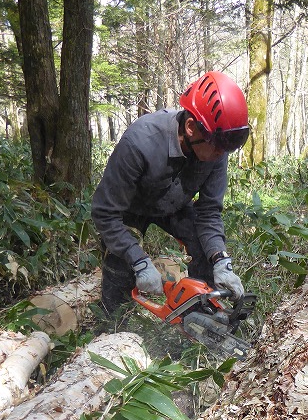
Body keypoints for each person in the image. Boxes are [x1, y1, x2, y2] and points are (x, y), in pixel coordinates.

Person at [91, 70, 250, 314]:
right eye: (217, 148)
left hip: (174, 205)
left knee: (204, 247)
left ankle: (198, 318)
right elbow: (104, 212)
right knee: (121, 269)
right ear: (190, 127)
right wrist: (138, 260)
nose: (221, 155)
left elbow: (208, 212)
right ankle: (111, 325)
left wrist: (221, 260)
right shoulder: (140, 143)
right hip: (129, 209)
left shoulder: (216, 148)